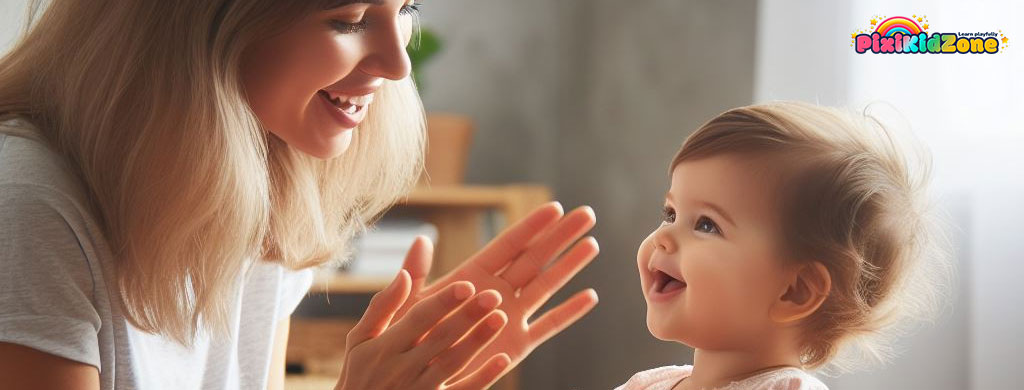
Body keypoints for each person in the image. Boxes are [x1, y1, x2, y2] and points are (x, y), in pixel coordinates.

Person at [0, 1, 599, 389]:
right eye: (349, 18)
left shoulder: (262, 183)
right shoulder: (27, 207)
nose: (397, 64)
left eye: (408, 7)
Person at [617, 102, 949, 390]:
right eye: (671, 213)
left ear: (796, 290)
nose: (663, 236)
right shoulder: (650, 383)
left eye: (706, 224)